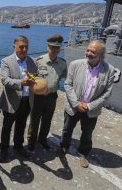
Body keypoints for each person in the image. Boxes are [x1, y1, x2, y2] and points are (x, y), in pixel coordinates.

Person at [60, 40, 115, 168]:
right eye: (88, 50)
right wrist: (76, 103)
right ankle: (64, 146)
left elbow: (107, 93)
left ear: (101, 55)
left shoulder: (109, 70)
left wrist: (89, 106)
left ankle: (83, 153)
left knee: (87, 133)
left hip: (91, 109)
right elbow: (68, 84)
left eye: (93, 52)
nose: (88, 53)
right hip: (74, 106)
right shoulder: (75, 64)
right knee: (67, 129)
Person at [0, 36, 37, 162]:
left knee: (21, 125)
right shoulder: (6, 61)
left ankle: (18, 146)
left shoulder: (32, 62)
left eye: (26, 47)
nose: (24, 49)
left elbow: (36, 78)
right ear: (14, 47)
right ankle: (4, 150)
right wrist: (21, 82)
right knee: (7, 127)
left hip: (26, 101)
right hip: (11, 101)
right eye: (21, 47)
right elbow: (5, 80)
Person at [27, 34, 67, 151]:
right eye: (52, 47)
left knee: (47, 119)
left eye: (57, 48)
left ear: (60, 49)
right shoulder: (38, 61)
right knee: (35, 119)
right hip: (38, 96)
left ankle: (42, 139)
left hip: (52, 96)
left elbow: (66, 78)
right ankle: (31, 140)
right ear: (48, 47)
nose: (54, 50)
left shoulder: (63, 63)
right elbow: (31, 78)